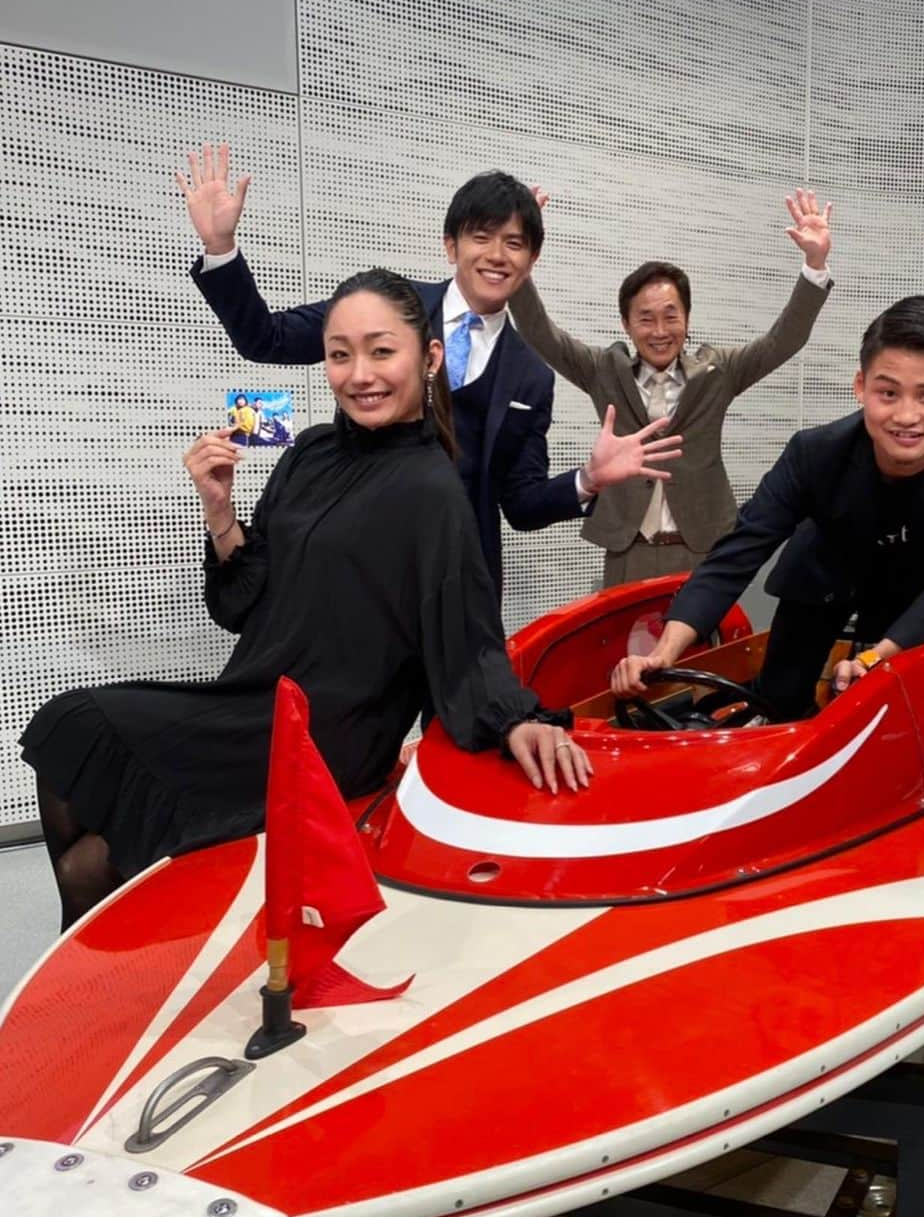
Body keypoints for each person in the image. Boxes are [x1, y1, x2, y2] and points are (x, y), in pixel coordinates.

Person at [22, 269, 594, 931]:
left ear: (429, 358)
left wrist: (517, 718)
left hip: (329, 732)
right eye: (340, 353)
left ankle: (93, 987)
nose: (360, 373)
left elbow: (466, 631)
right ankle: (88, 976)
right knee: (68, 738)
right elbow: (242, 602)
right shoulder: (311, 453)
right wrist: (219, 512)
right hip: (256, 694)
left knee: (89, 850)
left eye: (382, 351)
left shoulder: (432, 489)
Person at [176, 144, 680, 596]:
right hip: (353, 558)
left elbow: (521, 505)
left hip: (457, 581)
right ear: (450, 245)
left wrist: (588, 479)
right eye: (482, 236)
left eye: (515, 243)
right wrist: (221, 250)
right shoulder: (387, 305)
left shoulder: (531, 375)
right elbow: (267, 338)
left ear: (532, 260)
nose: (497, 255)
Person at [611, 296, 924, 719]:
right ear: (861, 387)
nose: (907, 416)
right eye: (887, 393)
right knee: (779, 700)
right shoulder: (813, 453)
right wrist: (663, 653)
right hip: (824, 569)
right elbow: (736, 555)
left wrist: (875, 658)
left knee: (905, 710)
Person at [508, 189, 834, 585]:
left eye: (670, 316)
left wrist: (814, 264)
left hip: (702, 550)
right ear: (626, 325)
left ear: (687, 319)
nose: (660, 331)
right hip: (629, 551)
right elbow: (540, 334)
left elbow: (784, 340)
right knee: (623, 649)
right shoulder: (602, 371)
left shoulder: (719, 372)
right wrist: (520, 252)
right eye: (645, 319)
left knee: (702, 648)